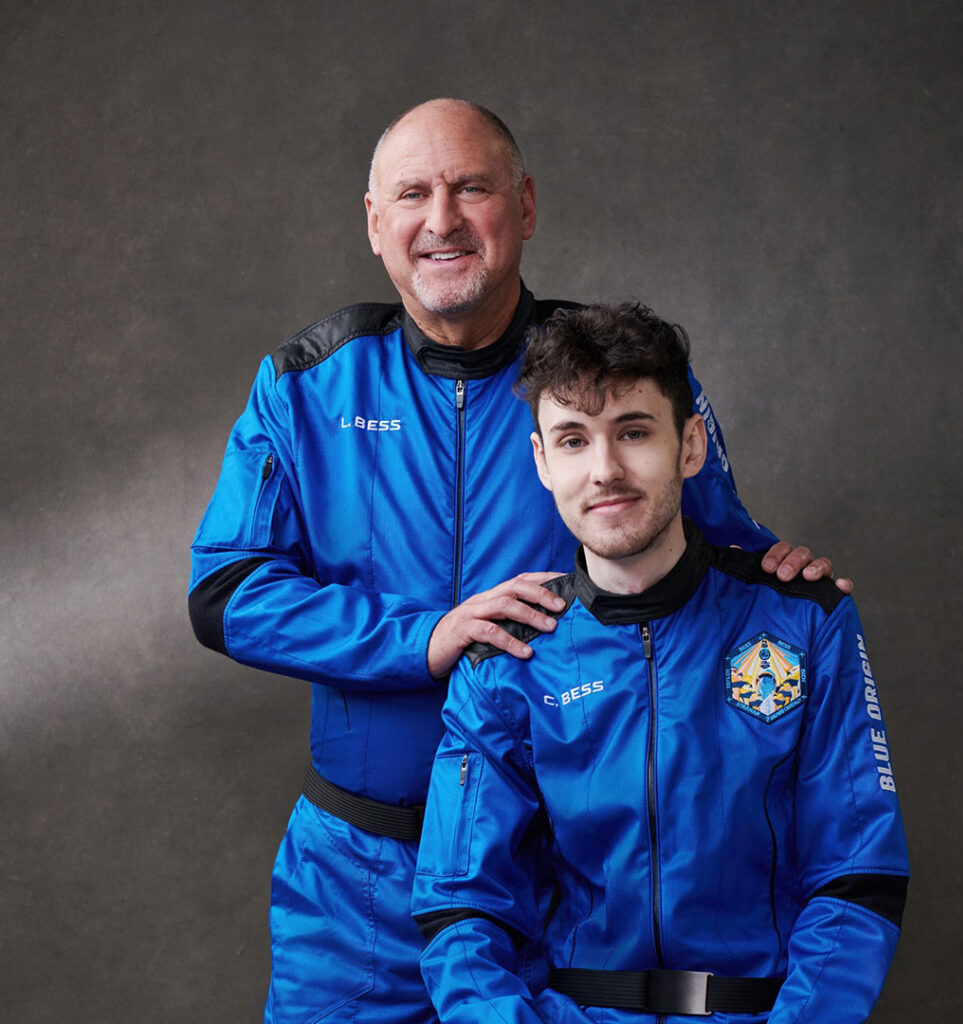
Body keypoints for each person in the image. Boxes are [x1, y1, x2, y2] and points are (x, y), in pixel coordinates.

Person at [189, 99, 845, 1024]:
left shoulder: (606, 371)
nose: (443, 219)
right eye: (412, 194)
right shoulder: (308, 383)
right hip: (358, 885)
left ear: (525, 206)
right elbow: (225, 592)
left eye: (473, 188)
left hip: (559, 890)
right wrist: (425, 640)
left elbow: (716, 556)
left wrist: (785, 577)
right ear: (374, 221)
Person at [412, 304, 908, 1024]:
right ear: (543, 463)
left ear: (691, 445)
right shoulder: (506, 659)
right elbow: (462, 909)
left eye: (634, 432)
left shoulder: (804, 621)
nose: (605, 470)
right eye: (574, 441)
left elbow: (858, 876)